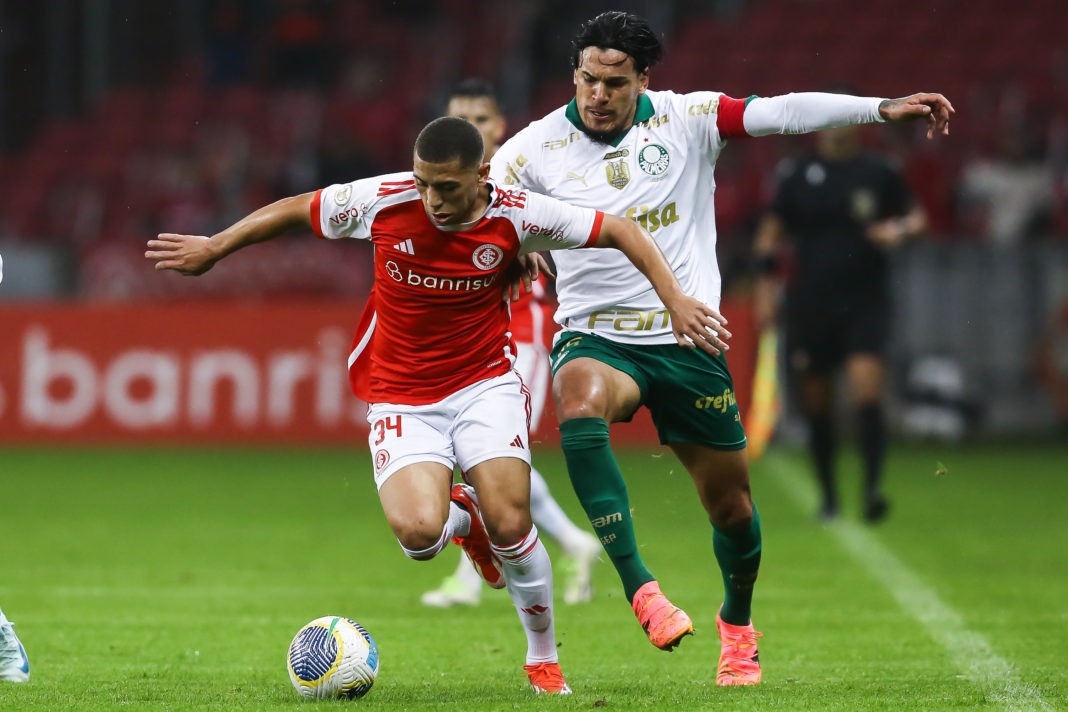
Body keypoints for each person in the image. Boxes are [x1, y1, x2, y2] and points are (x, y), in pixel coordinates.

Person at [145, 116, 728, 696]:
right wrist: (216, 246)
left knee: (513, 522)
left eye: (447, 187)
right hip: (400, 392)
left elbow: (622, 230)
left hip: (484, 384)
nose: (432, 199)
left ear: (481, 174)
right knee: (419, 537)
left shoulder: (516, 213)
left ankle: (543, 661)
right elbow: (300, 208)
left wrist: (675, 300)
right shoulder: (382, 199)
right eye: (423, 182)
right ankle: (461, 521)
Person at [491, 10, 953, 686]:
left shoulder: (688, 119)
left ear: (643, 79)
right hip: (596, 332)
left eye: (614, 83)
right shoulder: (532, 150)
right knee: (577, 399)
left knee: (732, 509)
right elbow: (488, 211)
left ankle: (737, 625)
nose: (596, 94)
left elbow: (786, 112)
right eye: (587, 79)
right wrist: (515, 248)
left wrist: (880, 110)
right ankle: (641, 588)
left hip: (687, 338)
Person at [421, 78, 601, 609]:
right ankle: (572, 542)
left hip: (519, 333)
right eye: (458, 117)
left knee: (484, 459)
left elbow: (557, 232)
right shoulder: (444, 187)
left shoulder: (524, 174)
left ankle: (471, 578)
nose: (468, 127)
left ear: (499, 127)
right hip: (471, 338)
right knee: (481, 460)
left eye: (478, 118)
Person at [752, 120, 927, 524]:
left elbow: (919, 219)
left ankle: (872, 489)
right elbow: (771, 230)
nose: (835, 130)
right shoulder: (796, 174)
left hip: (866, 299)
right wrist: (764, 283)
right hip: (810, 301)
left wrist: (898, 229)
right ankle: (829, 497)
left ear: (857, 126)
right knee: (817, 401)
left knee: (867, 389)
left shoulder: (880, 171)